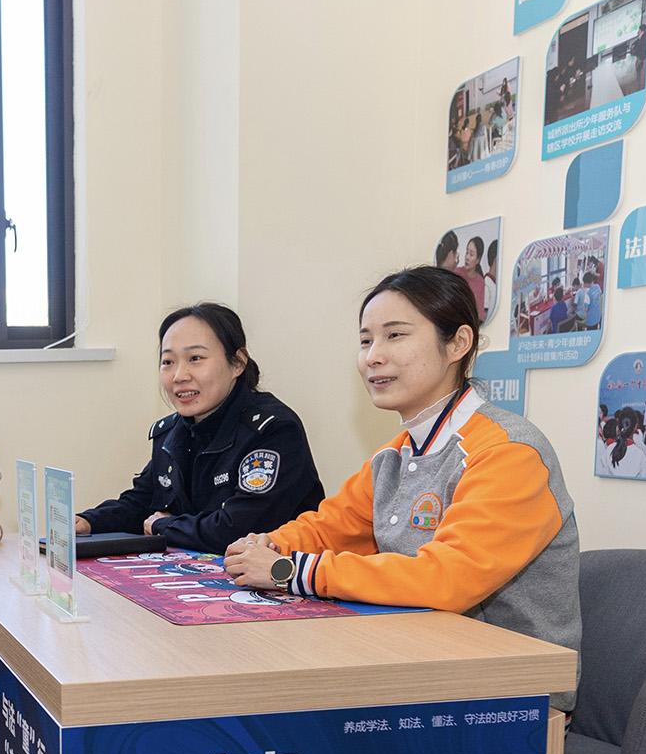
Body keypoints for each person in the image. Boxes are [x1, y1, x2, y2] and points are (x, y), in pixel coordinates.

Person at [223, 265, 581, 711]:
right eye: (365, 340)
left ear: (458, 343)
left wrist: (289, 570)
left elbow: (446, 578)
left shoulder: (510, 451)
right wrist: (268, 545)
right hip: (417, 663)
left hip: (509, 695)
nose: (373, 356)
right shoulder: (395, 454)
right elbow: (329, 528)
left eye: (395, 335)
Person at [75, 303, 325, 554]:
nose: (179, 376)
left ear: (238, 363)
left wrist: (164, 525)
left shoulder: (273, 430)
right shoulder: (172, 432)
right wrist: (89, 521)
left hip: (273, 573)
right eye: (168, 361)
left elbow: (238, 529)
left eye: (195, 359)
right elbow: (142, 502)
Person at [458, 236, 488, 319]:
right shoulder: (456, 273)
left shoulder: (480, 282)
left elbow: (480, 315)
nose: (467, 257)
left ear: (478, 260)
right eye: (467, 252)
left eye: (471, 254)